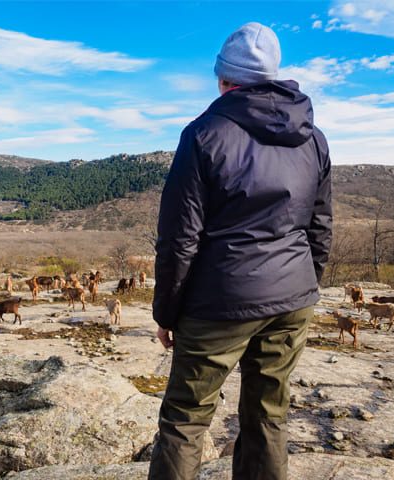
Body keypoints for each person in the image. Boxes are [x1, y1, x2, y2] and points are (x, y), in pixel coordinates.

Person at [148, 22, 332, 480]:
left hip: (219, 303)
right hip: (292, 298)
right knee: (269, 414)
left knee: (186, 418)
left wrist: (167, 311)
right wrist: (302, 286)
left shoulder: (204, 134)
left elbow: (180, 238)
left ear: (224, 78)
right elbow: (320, 226)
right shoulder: (313, 138)